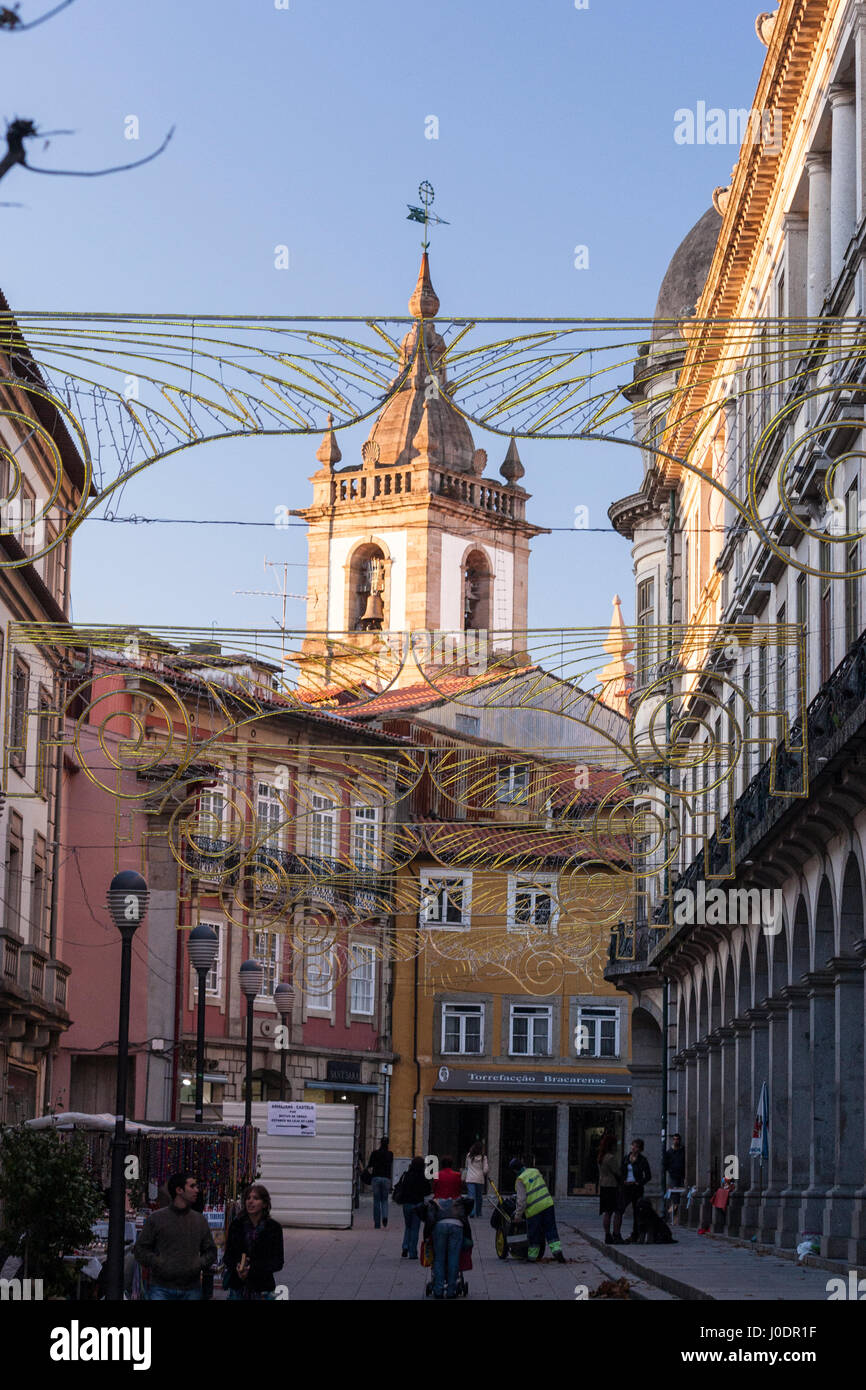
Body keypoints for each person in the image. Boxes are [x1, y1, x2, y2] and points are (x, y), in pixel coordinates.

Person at [133, 1172, 217, 1301]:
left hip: (191, 1287)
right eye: (192, 1186)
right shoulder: (157, 1218)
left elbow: (211, 1251)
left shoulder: (199, 1220)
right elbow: (140, 1249)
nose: (196, 1190)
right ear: (179, 1190)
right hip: (161, 1287)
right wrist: (158, 1262)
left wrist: (197, 1264)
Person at [224, 1183, 285, 1301]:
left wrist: (252, 1270)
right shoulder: (236, 1225)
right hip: (238, 1287)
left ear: (265, 1204)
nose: (250, 1201)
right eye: (248, 1198)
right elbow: (228, 1256)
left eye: (256, 1198)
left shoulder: (273, 1228)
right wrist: (237, 1267)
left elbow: (278, 1262)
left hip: (262, 1287)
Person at [510, 1157, 565, 1262]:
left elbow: (521, 1200)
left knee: (534, 1233)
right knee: (551, 1228)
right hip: (548, 1204)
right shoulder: (535, 1171)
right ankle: (557, 1251)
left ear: (515, 1170)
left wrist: (518, 1216)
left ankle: (532, 1257)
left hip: (534, 1209)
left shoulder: (520, 1179)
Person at [418, 1191, 472, 1299]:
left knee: (439, 1258)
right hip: (457, 1226)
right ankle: (451, 1291)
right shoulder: (458, 1203)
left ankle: (438, 1290)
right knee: (454, 1257)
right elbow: (465, 1220)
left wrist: (426, 1238)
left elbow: (429, 1221)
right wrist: (468, 1238)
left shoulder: (433, 1204)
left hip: (440, 1227)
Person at [398, 1157, 432, 1258]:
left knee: (408, 1226)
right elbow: (427, 1191)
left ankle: (405, 1246)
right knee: (415, 1228)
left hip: (407, 1204)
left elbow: (402, 1188)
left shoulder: (406, 1175)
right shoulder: (422, 1177)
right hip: (418, 1205)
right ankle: (413, 1252)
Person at [620, 1138, 652, 1242]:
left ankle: (635, 1234)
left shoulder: (643, 1160)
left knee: (637, 1212)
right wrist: (622, 1181)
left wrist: (639, 1182)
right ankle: (617, 1233)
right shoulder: (626, 1158)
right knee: (620, 1209)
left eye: (637, 1146)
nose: (634, 1148)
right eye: (633, 1145)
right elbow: (621, 1171)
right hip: (626, 1187)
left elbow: (648, 1176)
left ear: (640, 1149)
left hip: (636, 1188)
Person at [597, 1131, 623, 1244]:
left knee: (607, 1212)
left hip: (603, 1185)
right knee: (617, 1211)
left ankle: (607, 1235)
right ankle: (616, 1234)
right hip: (612, 1186)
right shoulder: (611, 1158)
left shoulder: (601, 1157)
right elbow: (617, 1172)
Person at [367, 1136, 394, 1229]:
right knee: (385, 1200)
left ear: (380, 1143)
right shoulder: (390, 1154)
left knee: (376, 1201)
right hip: (386, 1178)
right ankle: (385, 1216)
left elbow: (370, 1165)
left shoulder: (375, 1153)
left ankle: (377, 1223)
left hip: (376, 1178)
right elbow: (390, 1165)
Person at [662, 1133, 686, 1225]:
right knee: (674, 1196)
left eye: (677, 1139)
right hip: (673, 1176)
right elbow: (665, 1164)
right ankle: (674, 1215)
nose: (676, 1141)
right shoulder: (669, 1152)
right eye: (675, 1139)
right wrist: (670, 1170)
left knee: (682, 1194)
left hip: (682, 1175)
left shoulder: (683, 1150)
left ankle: (678, 1214)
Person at [463, 1141, 489, 1219]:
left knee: (471, 1196)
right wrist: (483, 1173)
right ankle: (478, 1212)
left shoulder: (469, 1156)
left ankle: (471, 1212)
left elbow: (466, 1167)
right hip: (479, 1179)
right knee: (479, 1196)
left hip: (470, 1178)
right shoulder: (483, 1157)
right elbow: (485, 1169)